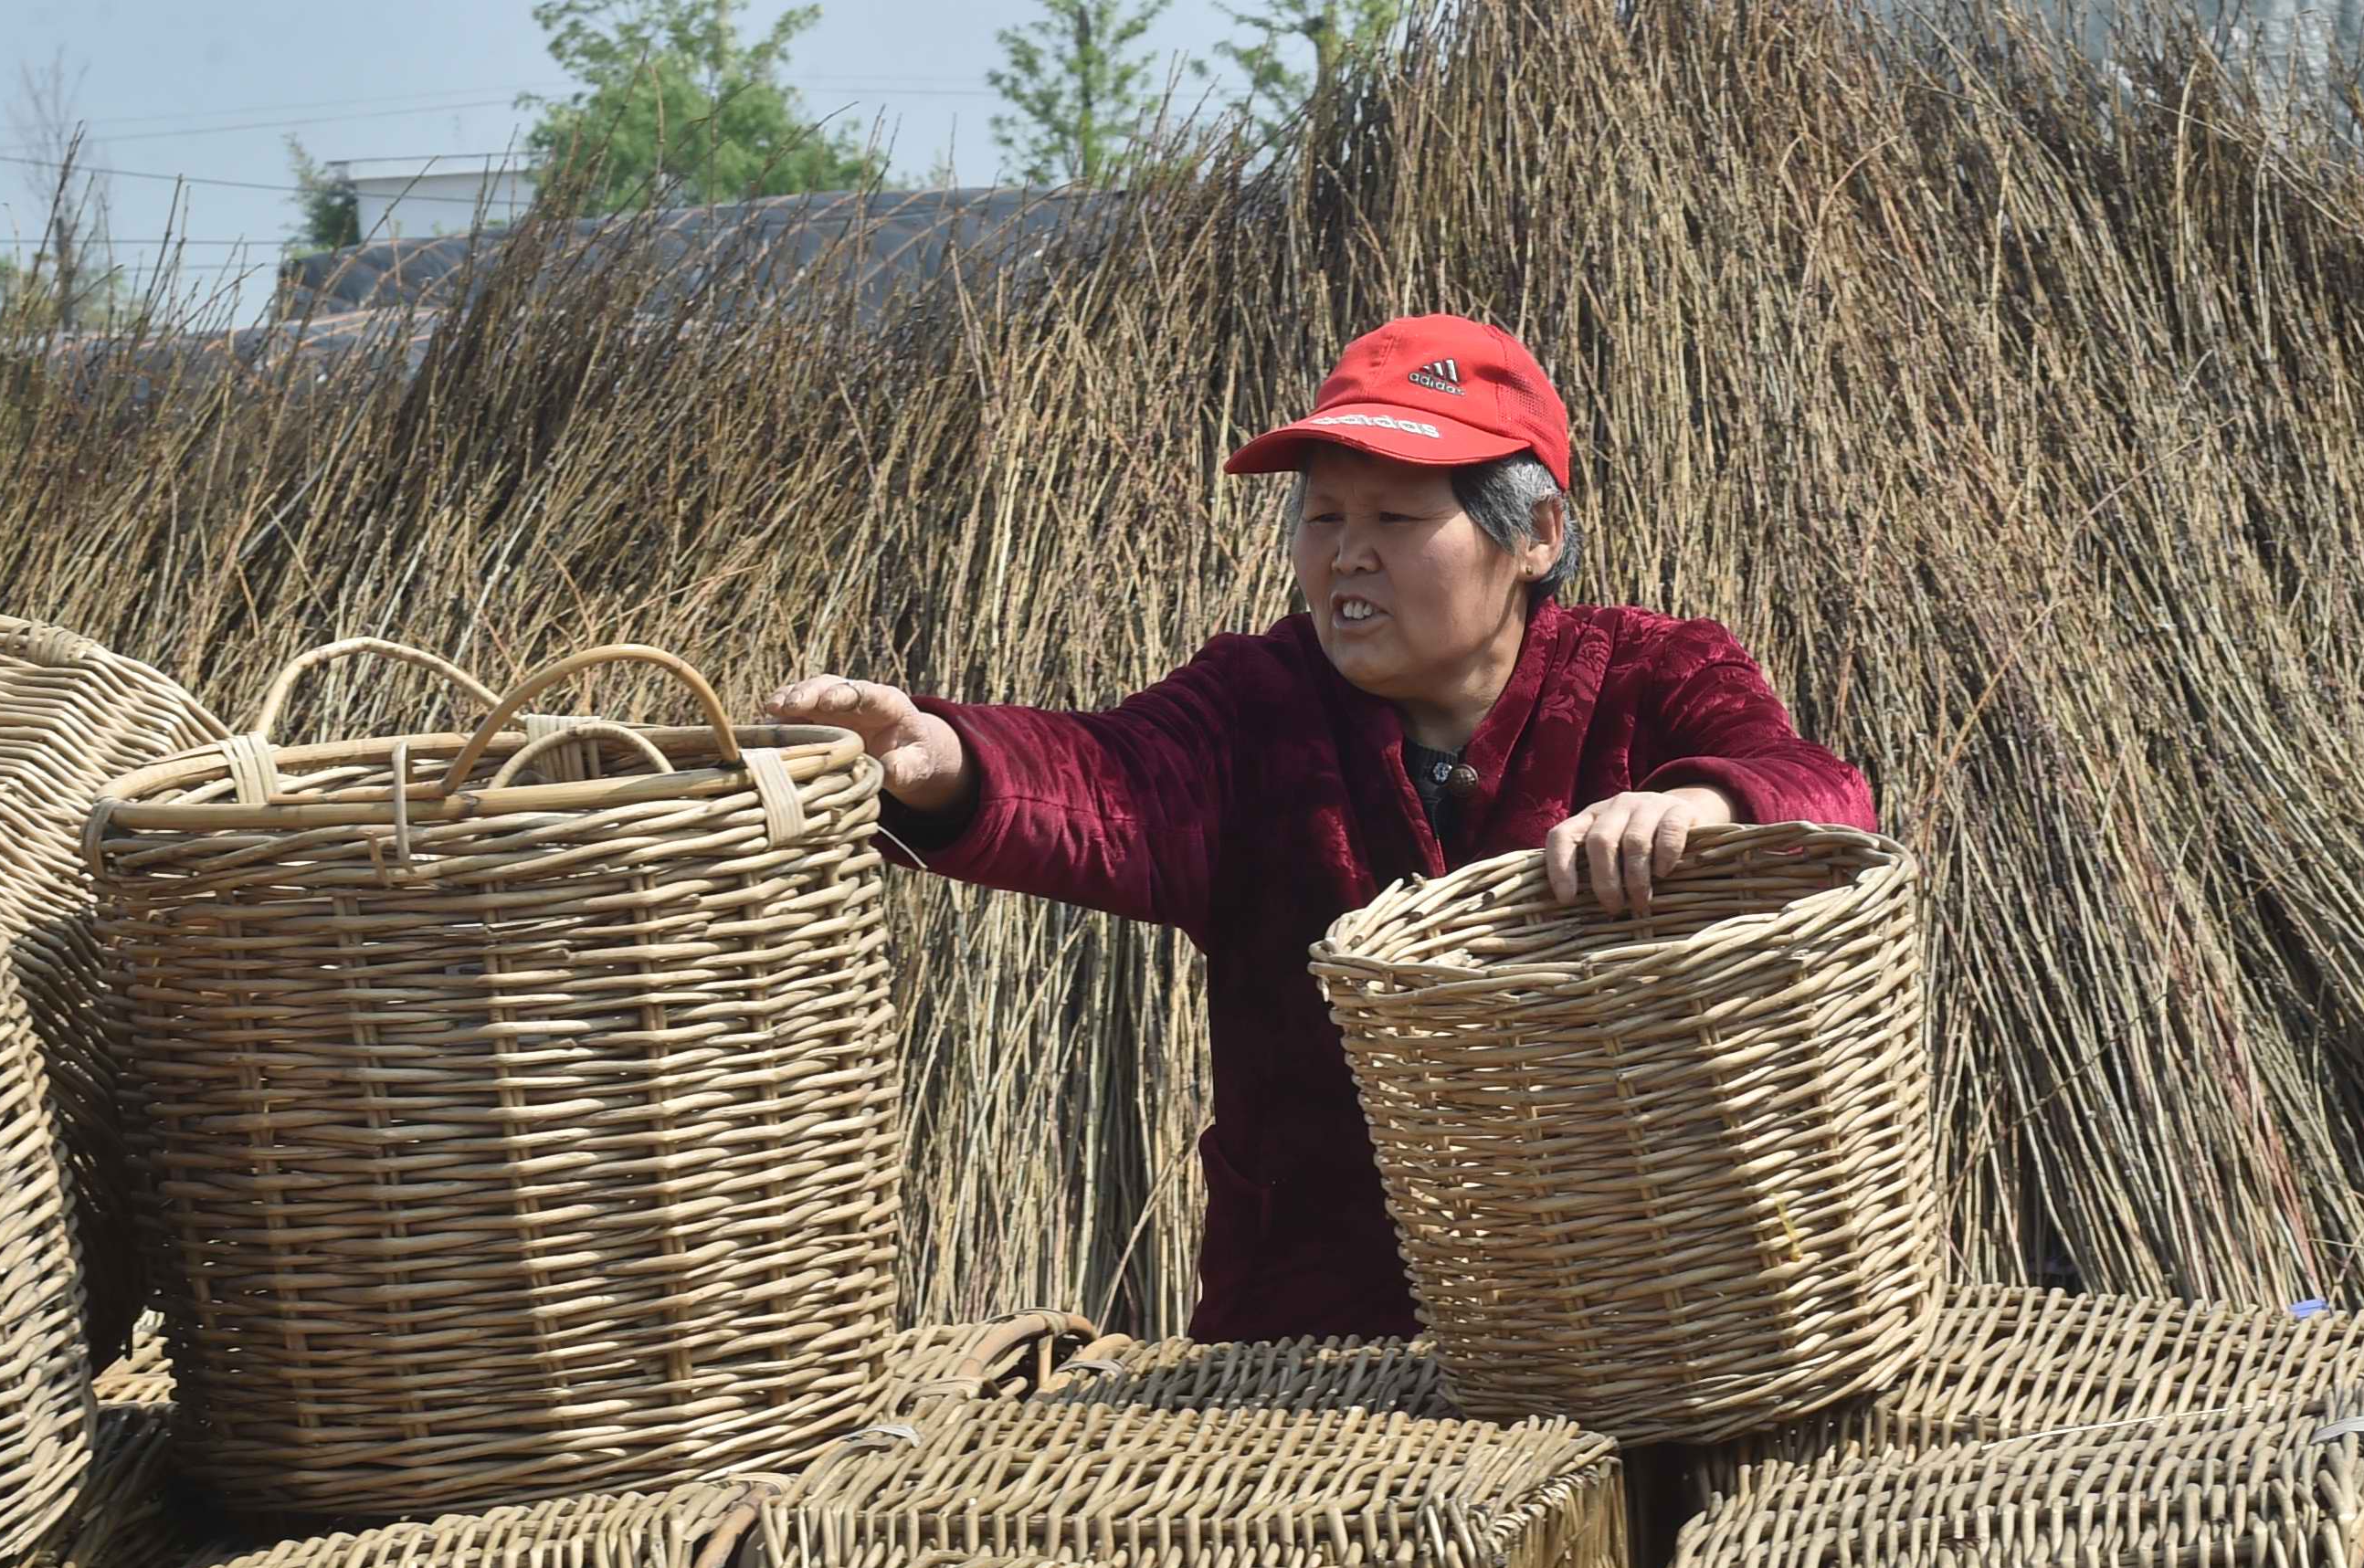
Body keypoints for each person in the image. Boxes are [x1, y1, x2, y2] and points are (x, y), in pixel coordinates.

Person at [769, 314, 1876, 1342]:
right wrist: (943, 759)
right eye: (1322, 515)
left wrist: (1702, 802)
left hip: (1640, 1310)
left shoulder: (1650, 676)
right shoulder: (1258, 703)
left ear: (1534, 535)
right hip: (1311, 1330)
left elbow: (1816, 789)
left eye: (1394, 517)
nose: (1346, 554)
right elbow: (1108, 783)